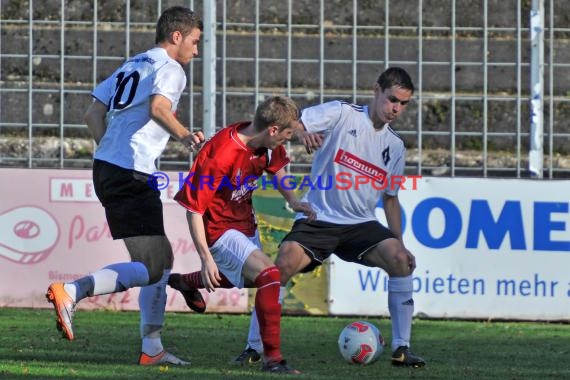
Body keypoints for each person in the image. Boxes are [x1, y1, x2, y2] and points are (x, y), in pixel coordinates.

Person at [172, 67, 426, 368]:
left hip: (360, 224)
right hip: (319, 217)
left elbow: (391, 200)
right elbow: (297, 121)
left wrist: (400, 241)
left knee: (400, 260)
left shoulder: (394, 146)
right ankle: (255, 349)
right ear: (376, 90)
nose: (396, 108)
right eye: (392, 100)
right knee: (278, 268)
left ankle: (402, 348)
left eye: (403, 103)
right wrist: (304, 133)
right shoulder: (342, 113)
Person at [45, 6, 205, 366]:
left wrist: (108, 153)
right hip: (130, 170)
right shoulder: (170, 69)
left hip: (110, 167)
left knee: (160, 258)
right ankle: (71, 291)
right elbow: (159, 108)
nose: (197, 51)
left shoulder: (133, 63)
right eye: (195, 42)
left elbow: (92, 114)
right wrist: (185, 136)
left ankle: (152, 348)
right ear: (176, 36)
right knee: (152, 266)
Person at [170, 95, 313, 374]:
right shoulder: (220, 153)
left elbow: (278, 168)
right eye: (285, 136)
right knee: (271, 275)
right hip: (219, 230)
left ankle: (185, 283)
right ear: (272, 130)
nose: (286, 142)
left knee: (256, 281)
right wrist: (205, 257)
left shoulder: (266, 144)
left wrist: (294, 201)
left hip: (245, 224)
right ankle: (273, 359)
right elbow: (194, 209)